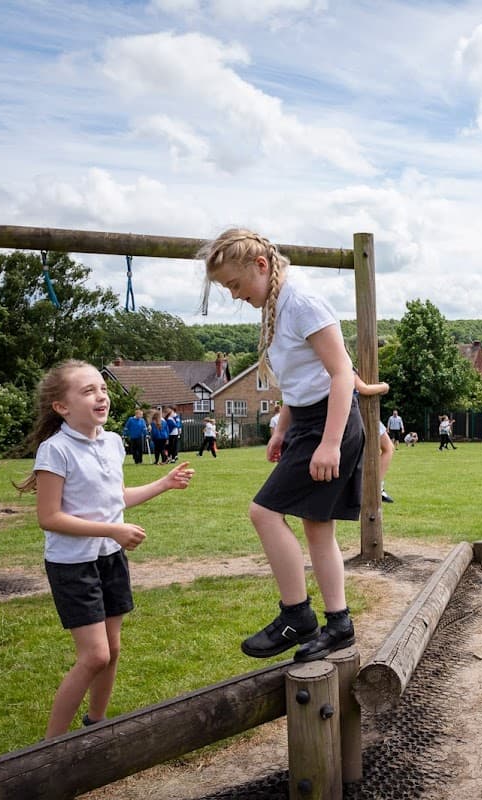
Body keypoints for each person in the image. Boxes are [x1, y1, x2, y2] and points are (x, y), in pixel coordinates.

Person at [200, 227, 363, 662]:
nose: (234, 295)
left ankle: (297, 616)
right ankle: (339, 624)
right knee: (316, 527)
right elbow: (298, 382)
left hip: (331, 423)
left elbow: (341, 374)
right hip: (307, 421)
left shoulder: (303, 303)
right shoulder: (275, 308)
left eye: (235, 284)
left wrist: (329, 444)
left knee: (264, 511)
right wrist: (280, 428)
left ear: (261, 265)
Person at [13, 360, 193, 737]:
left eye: (103, 389)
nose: (101, 396)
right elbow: (49, 517)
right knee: (94, 655)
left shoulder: (112, 441)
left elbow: (116, 498)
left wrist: (164, 483)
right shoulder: (55, 450)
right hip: (72, 564)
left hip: (109, 558)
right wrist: (112, 529)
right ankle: (50, 749)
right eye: (88, 390)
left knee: (112, 648)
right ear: (61, 407)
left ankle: (96, 726)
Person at [353, 375, 394, 503]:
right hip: (362, 412)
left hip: (359, 412)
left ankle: (375, 486)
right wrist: (384, 387)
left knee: (385, 448)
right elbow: (363, 388)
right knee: (388, 448)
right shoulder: (341, 362)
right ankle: (377, 487)